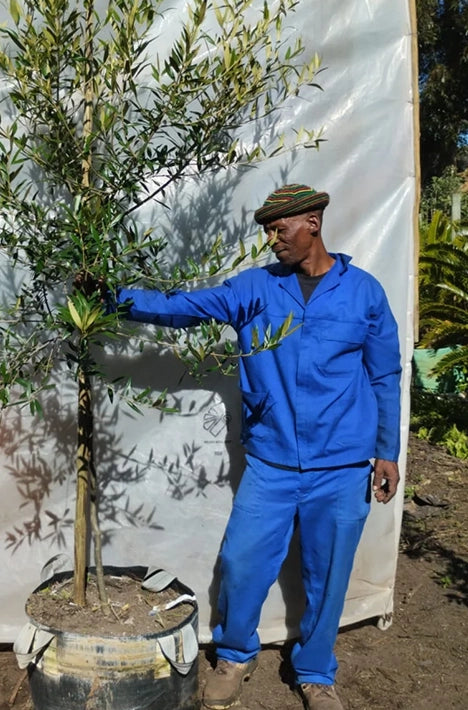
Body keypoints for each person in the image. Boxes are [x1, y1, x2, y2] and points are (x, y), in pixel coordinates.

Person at [115, 183, 401, 710]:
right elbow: (184, 307)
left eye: (280, 228)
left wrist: (387, 451)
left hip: (341, 468)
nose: (272, 240)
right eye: (268, 231)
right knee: (243, 562)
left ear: (312, 221)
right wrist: (114, 297)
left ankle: (315, 673)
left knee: (330, 572)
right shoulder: (256, 289)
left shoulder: (364, 292)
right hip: (271, 464)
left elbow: (384, 374)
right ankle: (234, 656)